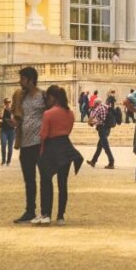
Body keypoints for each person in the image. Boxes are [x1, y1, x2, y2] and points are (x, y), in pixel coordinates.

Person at [36, 85, 83, 225]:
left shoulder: (48, 114)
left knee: (46, 180)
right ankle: (61, 215)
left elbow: (43, 135)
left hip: (51, 147)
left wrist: (41, 151)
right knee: (63, 183)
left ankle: (46, 213)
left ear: (52, 98)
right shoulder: (70, 113)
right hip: (66, 147)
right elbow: (68, 131)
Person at [12, 66, 47, 223]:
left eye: (23, 79)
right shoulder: (20, 96)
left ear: (31, 80)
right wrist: (15, 121)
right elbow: (18, 115)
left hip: (40, 143)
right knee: (29, 180)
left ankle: (45, 211)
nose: (20, 82)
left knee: (44, 178)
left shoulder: (43, 96)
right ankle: (30, 210)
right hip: (25, 143)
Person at [86, 94, 115, 169]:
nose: (94, 104)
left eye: (94, 103)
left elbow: (91, 117)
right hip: (107, 128)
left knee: (106, 146)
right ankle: (93, 161)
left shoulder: (98, 108)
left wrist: (89, 122)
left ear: (96, 103)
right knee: (99, 146)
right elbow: (102, 118)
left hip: (102, 129)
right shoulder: (106, 106)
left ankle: (111, 162)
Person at [0, 97, 16, 166]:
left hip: (11, 131)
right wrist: (3, 110)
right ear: (4, 103)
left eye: (9, 102)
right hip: (4, 130)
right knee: (3, 145)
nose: (8, 103)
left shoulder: (12, 110)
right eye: (7, 102)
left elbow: (13, 118)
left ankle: (8, 161)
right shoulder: (2, 110)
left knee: (10, 147)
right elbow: (0, 116)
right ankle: (3, 160)